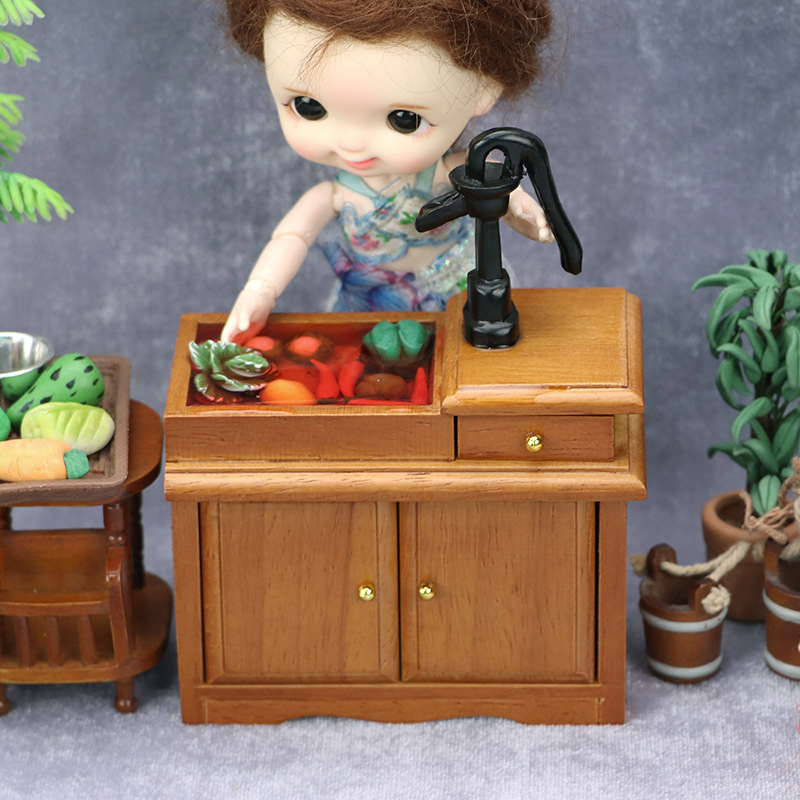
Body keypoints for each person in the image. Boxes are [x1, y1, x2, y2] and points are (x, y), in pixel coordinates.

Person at [219, 0, 556, 342]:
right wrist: (260, 290)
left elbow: (491, 181)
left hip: (459, 298)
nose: (351, 144)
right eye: (308, 107)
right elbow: (291, 237)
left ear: (485, 87)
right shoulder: (334, 196)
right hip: (371, 303)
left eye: (405, 119)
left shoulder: (448, 173)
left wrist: (515, 203)